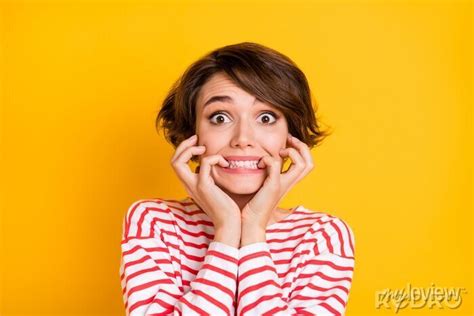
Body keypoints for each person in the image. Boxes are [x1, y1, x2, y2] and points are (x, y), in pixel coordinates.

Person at [119, 42, 355, 315]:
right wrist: (227, 230)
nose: (243, 139)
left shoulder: (322, 236)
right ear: (191, 134)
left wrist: (253, 229)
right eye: (220, 118)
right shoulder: (155, 222)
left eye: (266, 118)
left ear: (291, 136)